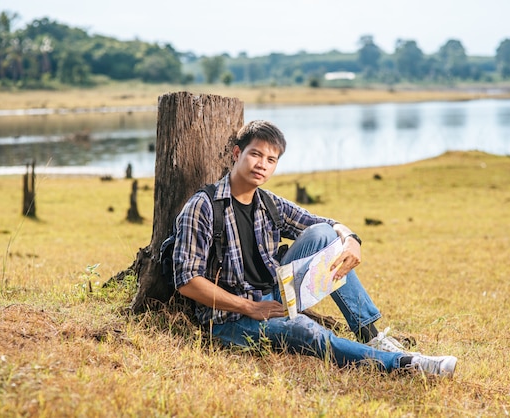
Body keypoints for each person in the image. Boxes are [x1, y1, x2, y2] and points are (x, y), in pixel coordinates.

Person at [173, 120, 457, 377]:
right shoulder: (204, 206)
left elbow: (326, 224)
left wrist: (351, 240)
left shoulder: (269, 203)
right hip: (231, 319)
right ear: (237, 154)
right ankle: (404, 364)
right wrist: (250, 307)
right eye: (255, 154)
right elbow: (187, 281)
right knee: (306, 330)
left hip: (275, 295)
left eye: (271, 160)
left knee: (325, 234)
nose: (262, 165)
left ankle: (370, 334)